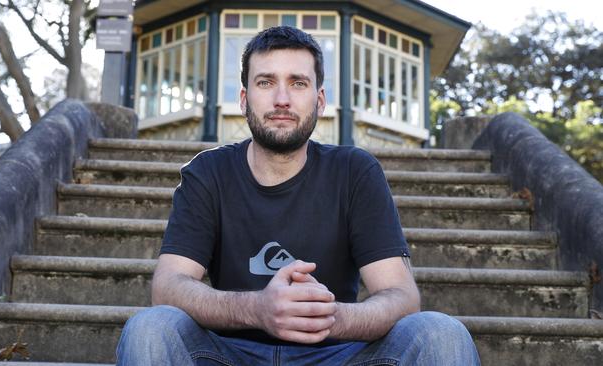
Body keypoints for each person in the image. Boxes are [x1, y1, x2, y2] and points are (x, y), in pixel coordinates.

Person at [116, 26, 480, 365]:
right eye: (265, 81)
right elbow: (168, 286)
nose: (282, 99)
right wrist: (258, 309)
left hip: (337, 353)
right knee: (151, 328)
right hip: (229, 354)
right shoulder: (208, 172)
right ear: (244, 98)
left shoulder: (355, 171)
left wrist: (328, 317)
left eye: (298, 83)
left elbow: (401, 297)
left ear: (320, 101)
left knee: (440, 333)